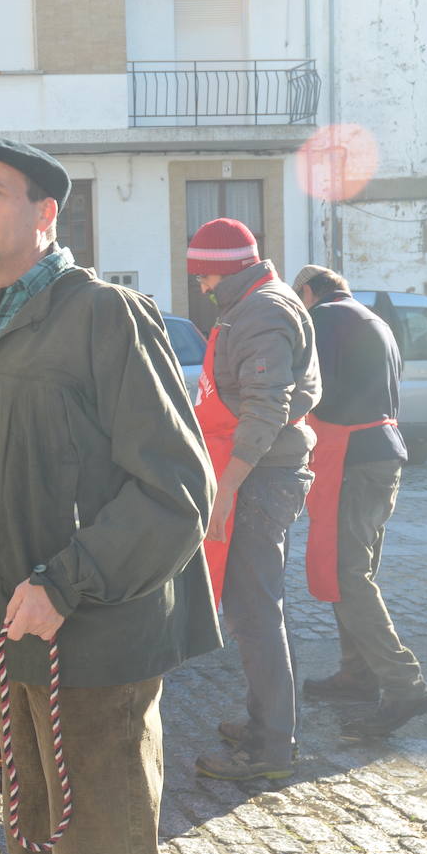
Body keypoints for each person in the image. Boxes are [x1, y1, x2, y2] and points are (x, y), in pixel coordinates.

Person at [0, 138, 220, 854]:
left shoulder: (105, 315)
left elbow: (177, 490)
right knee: (37, 845)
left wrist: (65, 582)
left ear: (45, 213)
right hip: (23, 636)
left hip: (97, 640)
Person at [188, 218, 320, 782]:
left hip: (262, 478)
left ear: (226, 267)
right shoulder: (254, 304)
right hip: (262, 474)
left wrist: (228, 486)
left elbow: (266, 407)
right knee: (256, 610)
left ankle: (270, 747)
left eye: (204, 275)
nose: (200, 287)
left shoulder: (264, 310)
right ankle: (269, 722)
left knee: (255, 611)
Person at [292, 266, 427, 738]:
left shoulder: (324, 320)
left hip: (352, 458)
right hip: (382, 454)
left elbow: (312, 390)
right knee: (353, 569)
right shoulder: (376, 322)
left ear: (309, 293)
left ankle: (403, 684)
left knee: (347, 574)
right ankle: (356, 673)